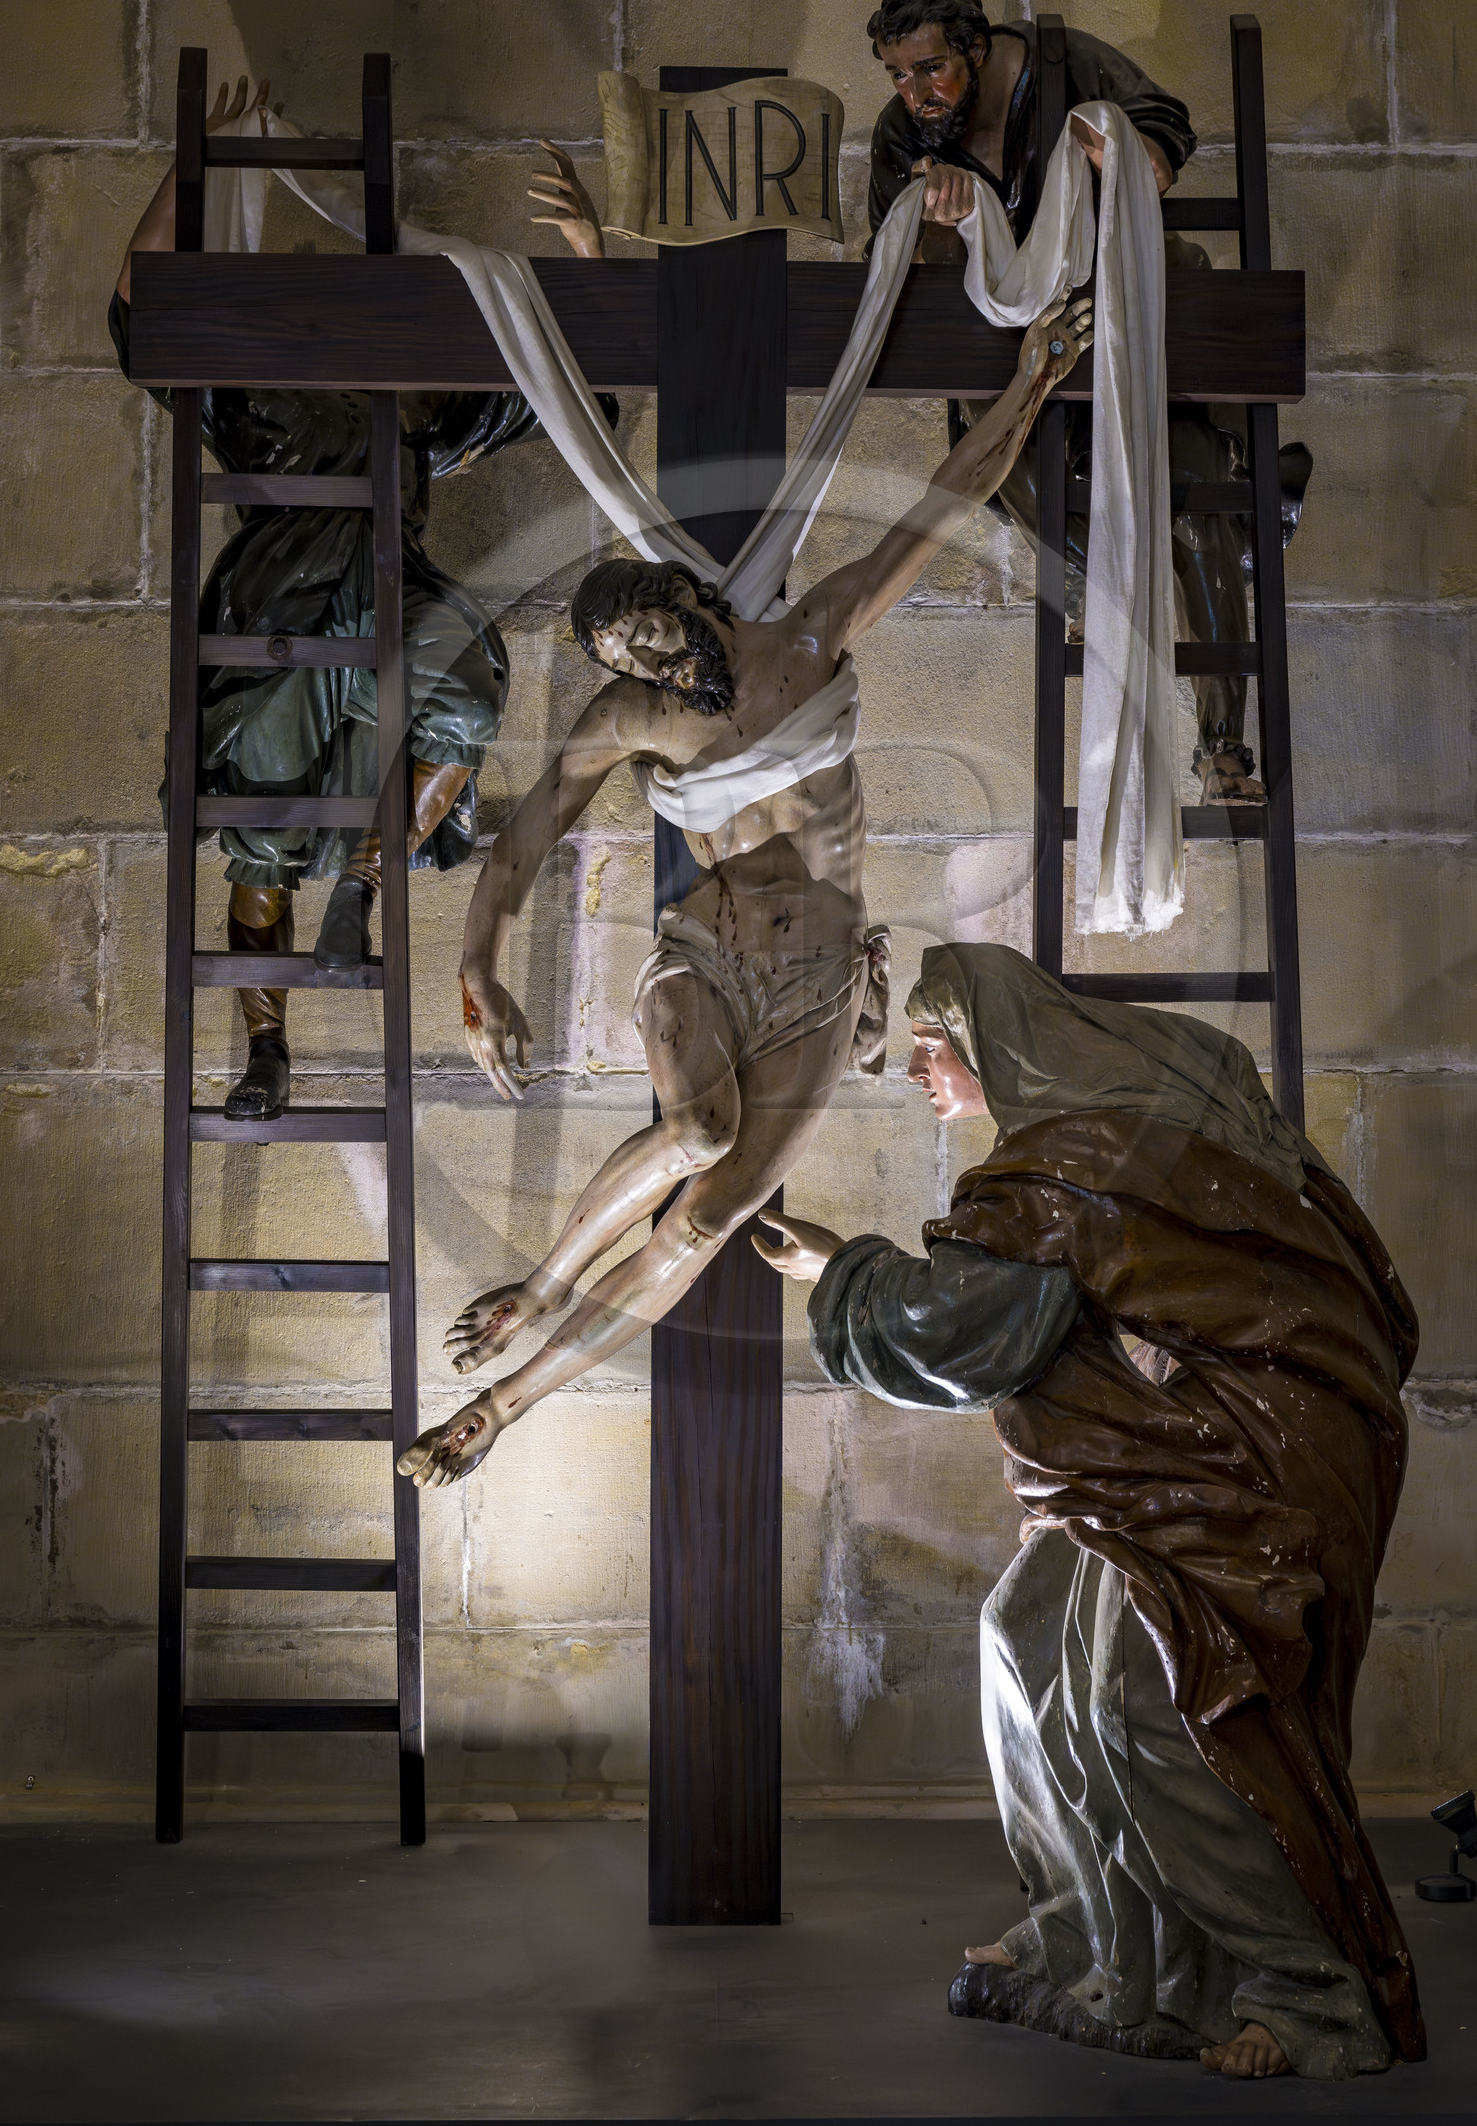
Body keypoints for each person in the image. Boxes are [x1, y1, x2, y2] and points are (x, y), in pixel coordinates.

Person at [394, 299, 1094, 1491]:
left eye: (655, 644)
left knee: (706, 1219)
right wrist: (476, 968)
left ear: (685, 603)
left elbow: (941, 503)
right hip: (706, 957)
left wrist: (1030, 380)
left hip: (821, 982)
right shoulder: (629, 719)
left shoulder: (809, 641)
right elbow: (521, 844)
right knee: (697, 1133)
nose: (655, 673)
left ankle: (498, 1410)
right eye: (631, 665)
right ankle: (544, 1289)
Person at [755, 942, 1424, 2082]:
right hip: (1162, 1461)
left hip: (1235, 1469)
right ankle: (1087, 1937)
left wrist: (841, 1273)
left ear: (997, 1048)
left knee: (1165, 1699)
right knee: (1022, 1633)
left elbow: (965, 1335)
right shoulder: (1097, 1146)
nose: (916, 1070)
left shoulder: (1074, 1162)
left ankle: (1307, 1992)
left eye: (932, 1045)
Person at [110, 81, 607, 1118]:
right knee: (263, 833)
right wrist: (194, 165)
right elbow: (138, 306)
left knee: (465, 687)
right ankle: (267, 1049)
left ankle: (362, 887)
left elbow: (570, 388)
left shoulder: (419, 396)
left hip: (389, 594)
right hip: (278, 613)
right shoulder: (249, 382)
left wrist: (589, 256)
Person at [866, 0, 1312, 805]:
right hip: (1014, 359)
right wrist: (931, 219)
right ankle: (1102, 591)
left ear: (974, 48)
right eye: (897, 75)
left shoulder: (1063, 65)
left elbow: (1160, 130)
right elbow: (892, 263)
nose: (915, 93)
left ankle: (1223, 747)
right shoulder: (904, 135)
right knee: (1025, 482)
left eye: (930, 68)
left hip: (1131, 324)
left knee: (1194, 502)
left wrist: (1127, 155)